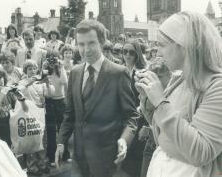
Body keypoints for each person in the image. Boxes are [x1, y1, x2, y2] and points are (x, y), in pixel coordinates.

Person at [135, 11, 222, 177]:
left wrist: (160, 101)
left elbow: (200, 152)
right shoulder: (181, 79)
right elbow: (163, 132)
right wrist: (147, 97)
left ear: (184, 45)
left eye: (161, 45)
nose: (158, 53)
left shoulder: (217, 87)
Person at [55, 20, 138, 177]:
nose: (86, 50)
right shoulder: (75, 73)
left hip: (107, 159)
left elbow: (131, 117)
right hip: (79, 159)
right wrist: (61, 142)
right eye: (81, 44)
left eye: (91, 43)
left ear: (101, 41)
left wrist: (124, 140)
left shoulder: (118, 73)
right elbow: (70, 114)